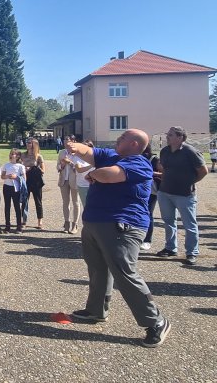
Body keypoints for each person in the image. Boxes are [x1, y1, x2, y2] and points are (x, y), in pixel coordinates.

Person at [66, 129, 171, 348]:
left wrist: (93, 173)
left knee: (125, 273)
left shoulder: (139, 163)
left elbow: (110, 175)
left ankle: (156, 321)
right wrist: (76, 148)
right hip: (96, 223)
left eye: (123, 137)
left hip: (122, 225)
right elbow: (89, 152)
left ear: (134, 144)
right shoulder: (111, 155)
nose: (118, 138)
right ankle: (96, 310)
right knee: (97, 268)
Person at [155, 126, 208, 266]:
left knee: (189, 224)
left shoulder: (190, 151)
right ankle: (170, 248)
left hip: (184, 194)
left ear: (180, 137)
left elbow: (203, 171)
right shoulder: (165, 151)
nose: (167, 137)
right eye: (167, 134)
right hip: (165, 192)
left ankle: (192, 252)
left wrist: (190, 182)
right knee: (168, 221)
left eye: (170, 135)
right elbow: (163, 168)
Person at [57, 136, 80, 234]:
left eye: (68, 141)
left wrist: (69, 163)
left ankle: (75, 224)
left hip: (74, 180)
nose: (66, 142)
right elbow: (58, 166)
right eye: (65, 140)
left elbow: (79, 168)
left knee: (76, 203)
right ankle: (66, 223)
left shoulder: (78, 153)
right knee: (65, 202)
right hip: (63, 180)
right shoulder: (62, 152)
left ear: (73, 141)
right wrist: (61, 165)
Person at [140, 144, 161, 251]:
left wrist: (149, 173)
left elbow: (163, 173)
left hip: (151, 191)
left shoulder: (154, 159)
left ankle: (147, 240)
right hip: (137, 190)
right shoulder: (130, 156)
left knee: (148, 213)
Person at [21, 138, 45, 229]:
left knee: (38, 201)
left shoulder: (38, 156)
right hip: (26, 180)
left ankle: (40, 220)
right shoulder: (23, 155)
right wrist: (24, 168)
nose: (27, 144)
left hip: (36, 181)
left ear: (34, 145)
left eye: (29, 143)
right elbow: (18, 166)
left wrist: (33, 168)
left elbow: (43, 170)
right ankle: (24, 220)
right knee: (24, 201)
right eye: (27, 142)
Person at [2, 149, 26, 234]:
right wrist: (7, 176)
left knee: (17, 207)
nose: (12, 155)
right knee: (7, 206)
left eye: (14, 154)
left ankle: (19, 226)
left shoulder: (20, 166)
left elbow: (24, 179)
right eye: (11, 154)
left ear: (18, 156)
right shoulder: (6, 165)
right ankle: (7, 226)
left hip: (16, 189)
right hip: (7, 187)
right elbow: (2, 176)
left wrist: (16, 177)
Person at [71, 140, 95, 209]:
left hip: (94, 185)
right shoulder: (77, 157)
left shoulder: (94, 157)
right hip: (83, 185)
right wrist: (91, 165)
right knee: (87, 206)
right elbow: (79, 170)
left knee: (95, 206)